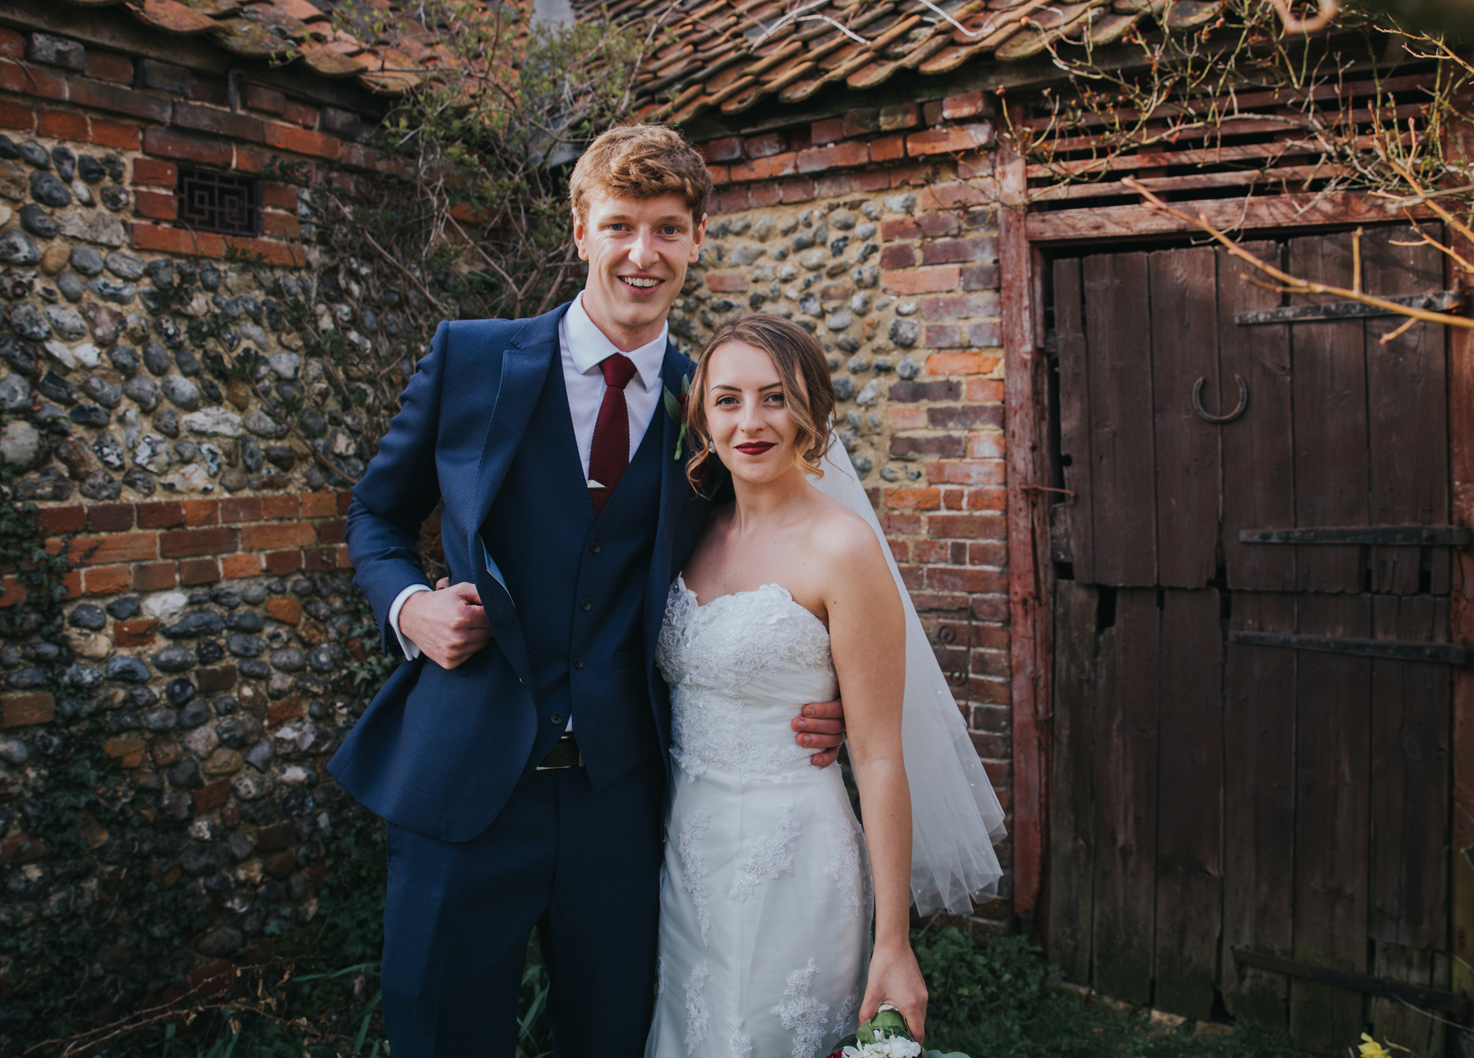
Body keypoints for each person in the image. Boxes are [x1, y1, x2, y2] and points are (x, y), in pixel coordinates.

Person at [328, 125, 846, 1058]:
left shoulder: (711, 405)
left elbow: (776, 546)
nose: (642, 254)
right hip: (465, 783)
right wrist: (412, 606)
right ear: (580, 232)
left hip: (623, 799)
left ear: (695, 239)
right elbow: (373, 516)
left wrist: (816, 687)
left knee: (609, 1039)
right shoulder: (471, 359)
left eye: (666, 229)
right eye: (619, 226)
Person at [646, 314, 1006, 1058]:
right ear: (701, 414)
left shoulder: (842, 547)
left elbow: (878, 755)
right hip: (685, 857)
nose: (751, 422)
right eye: (729, 400)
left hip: (794, 858)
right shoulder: (690, 533)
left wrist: (895, 943)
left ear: (812, 411)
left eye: (775, 398)